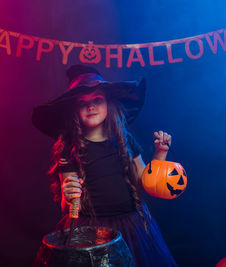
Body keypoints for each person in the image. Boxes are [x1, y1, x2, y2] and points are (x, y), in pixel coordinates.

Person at [32, 65, 177, 266]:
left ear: (109, 104)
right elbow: (67, 204)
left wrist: (160, 153)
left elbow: (147, 182)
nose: (91, 106)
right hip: (91, 231)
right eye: (83, 103)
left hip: (131, 226)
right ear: (75, 111)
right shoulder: (68, 148)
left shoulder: (125, 140)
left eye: (97, 100)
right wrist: (69, 191)